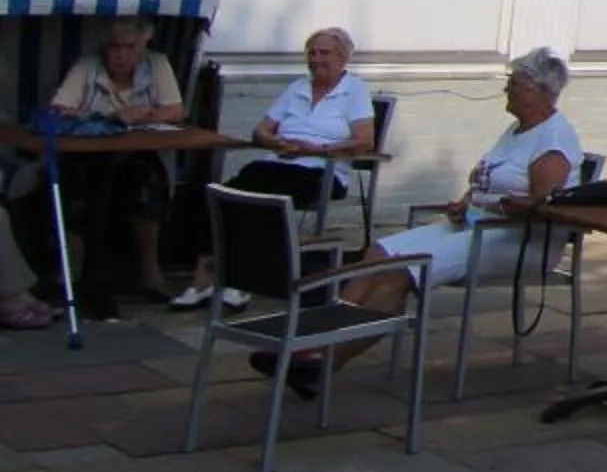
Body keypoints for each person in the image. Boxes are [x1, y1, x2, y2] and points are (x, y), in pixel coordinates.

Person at [254, 47, 580, 399]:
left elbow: (545, 206)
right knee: (377, 252)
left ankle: (324, 361)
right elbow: (489, 181)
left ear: (537, 92)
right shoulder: (518, 129)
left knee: (399, 273)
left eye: (514, 83)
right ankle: (311, 345)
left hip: (517, 243)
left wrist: (493, 205)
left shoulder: (553, 139)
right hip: (475, 226)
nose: (506, 89)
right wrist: (466, 202)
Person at [175, 26, 378, 309]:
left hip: (321, 171)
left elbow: (364, 142)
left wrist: (315, 149)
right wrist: (275, 141)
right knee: (223, 196)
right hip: (278, 162)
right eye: (312, 53)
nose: (316, 59)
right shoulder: (297, 88)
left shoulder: (354, 90)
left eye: (324, 53)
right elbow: (261, 131)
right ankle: (203, 280)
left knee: (262, 204)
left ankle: (239, 281)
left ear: (343, 58)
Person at [50, 18, 186, 301]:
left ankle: (151, 274)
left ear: (143, 46)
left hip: (138, 155)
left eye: (130, 47)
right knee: (75, 184)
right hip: (87, 155)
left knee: (146, 180)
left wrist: (145, 113)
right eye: (114, 47)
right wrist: (105, 118)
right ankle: (74, 275)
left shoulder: (157, 63)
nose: (121, 54)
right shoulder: (88, 65)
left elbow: (175, 110)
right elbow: (60, 108)